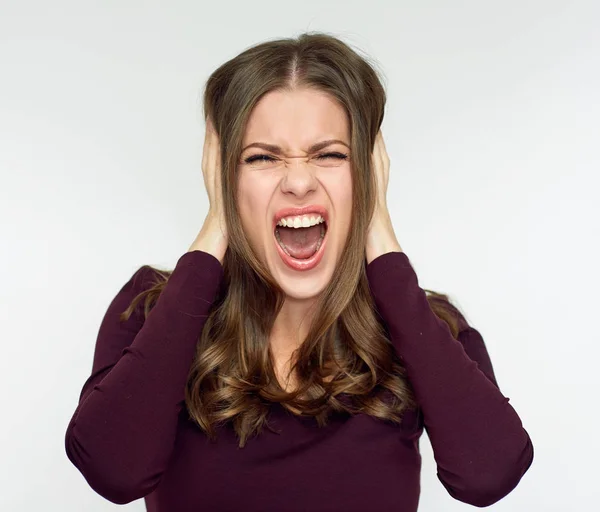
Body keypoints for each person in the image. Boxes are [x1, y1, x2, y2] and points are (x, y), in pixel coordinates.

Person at [64, 32, 534, 511]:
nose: (299, 181)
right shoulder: (153, 310)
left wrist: (383, 245)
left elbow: (489, 475)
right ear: (222, 173)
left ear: (369, 170)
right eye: (262, 157)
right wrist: (215, 230)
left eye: (329, 154)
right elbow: (113, 471)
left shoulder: (424, 325)